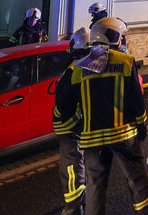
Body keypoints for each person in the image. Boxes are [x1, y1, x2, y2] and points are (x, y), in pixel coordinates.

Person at [54, 17, 148, 215]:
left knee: (95, 186)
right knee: (137, 181)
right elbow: (136, 101)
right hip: (123, 135)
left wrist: (75, 124)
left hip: (92, 139)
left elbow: (64, 106)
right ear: (115, 37)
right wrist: (141, 127)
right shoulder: (126, 62)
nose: (123, 41)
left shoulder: (79, 67)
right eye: (122, 36)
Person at [54, 28, 91, 215]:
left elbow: (63, 104)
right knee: (88, 167)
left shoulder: (73, 70)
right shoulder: (94, 66)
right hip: (89, 127)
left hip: (72, 129)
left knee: (71, 170)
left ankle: (74, 209)